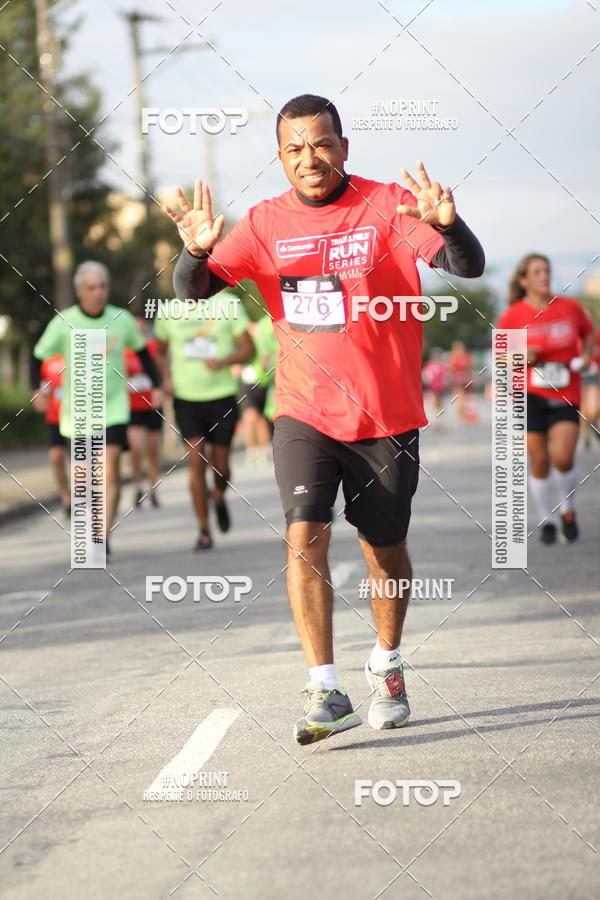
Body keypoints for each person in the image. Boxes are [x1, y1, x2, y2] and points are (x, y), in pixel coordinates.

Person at [164, 93, 485, 744]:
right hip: (304, 411)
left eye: (321, 143)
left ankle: (388, 665)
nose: (308, 158)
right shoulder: (262, 224)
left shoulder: (387, 205)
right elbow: (192, 289)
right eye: (294, 147)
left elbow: (466, 267)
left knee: (383, 552)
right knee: (304, 534)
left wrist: (450, 227)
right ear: (280, 158)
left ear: (343, 147)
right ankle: (325, 685)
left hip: (386, 416)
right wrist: (197, 253)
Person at [32, 261, 163, 558]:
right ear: (80, 291)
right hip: (76, 412)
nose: (99, 292)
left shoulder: (121, 319)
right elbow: (37, 355)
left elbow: (142, 352)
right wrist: (35, 389)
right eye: (92, 287)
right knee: (84, 477)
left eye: (103, 286)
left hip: (113, 408)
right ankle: (90, 524)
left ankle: (102, 536)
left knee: (110, 472)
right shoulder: (63, 321)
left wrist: (156, 385)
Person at [498, 254, 595, 544]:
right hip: (529, 394)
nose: (544, 276)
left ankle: (568, 508)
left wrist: (586, 356)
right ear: (523, 280)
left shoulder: (569, 307)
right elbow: (501, 357)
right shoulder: (514, 315)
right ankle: (547, 518)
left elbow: (589, 333)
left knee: (563, 457)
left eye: (547, 271)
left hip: (565, 392)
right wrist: (522, 355)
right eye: (537, 272)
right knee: (539, 460)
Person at [153, 289, 254, 550]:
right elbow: (159, 350)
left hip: (222, 396)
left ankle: (218, 495)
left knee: (221, 466)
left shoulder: (228, 303)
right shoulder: (168, 310)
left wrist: (224, 361)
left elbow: (249, 350)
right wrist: (166, 379)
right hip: (186, 398)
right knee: (196, 459)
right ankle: (204, 530)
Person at [125, 315, 164, 508]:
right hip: (132, 405)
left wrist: (164, 386)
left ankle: (153, 488)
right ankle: (137, 486)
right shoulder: (123, 350)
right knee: (136, 448)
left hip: (153, 404)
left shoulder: (153, 347)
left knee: (153, 450)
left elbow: (163, 369)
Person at [31, 352, 70, 516]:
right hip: (55, 417)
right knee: (56, 457)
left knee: (81, 462)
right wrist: (37, 395)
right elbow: (41, 387)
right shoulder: (47, 360)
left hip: (79, 418)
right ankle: (67, 500)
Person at [239, 313, 279, 465]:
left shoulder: (263, 328)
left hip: (265, 378)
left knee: (262, 417)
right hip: (249, 379)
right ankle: (251, 451)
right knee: (250, 416)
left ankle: (263, 450)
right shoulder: (245, 331)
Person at [580, 330, 600, 449]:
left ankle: (594, 425)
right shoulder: (574, 338)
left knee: (593, 409)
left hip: (594, 375)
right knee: (583, 409)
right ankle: (586, 436)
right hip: (579, 377)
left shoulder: (596, 336)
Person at [447, 339, 474, 422]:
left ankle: (465, 414)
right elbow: (450, 368)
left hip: (465, 378)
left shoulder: (466, 356)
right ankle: (461, 415)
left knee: (466, 398)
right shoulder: (453, 357)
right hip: (457, 379)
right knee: (460, 397)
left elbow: (469, 367)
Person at [422, 347, 447, 428]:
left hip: (440, 388)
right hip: (432, 388)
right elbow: (426, 376)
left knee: (439, 404)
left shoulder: (441, 366)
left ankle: (438, 420)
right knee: (433, 403)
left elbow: (445, 376)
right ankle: (434, 420)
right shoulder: (429, 365)